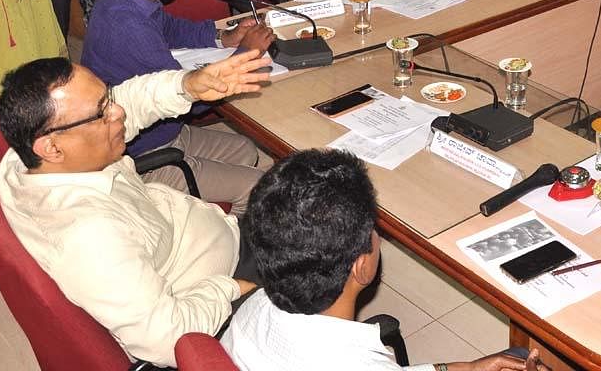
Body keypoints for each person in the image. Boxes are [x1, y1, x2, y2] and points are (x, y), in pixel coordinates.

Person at [0, 52, 269, 368]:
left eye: (107, 97)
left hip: (213, 240)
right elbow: (169, 340)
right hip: (222, 290)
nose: (119, 111)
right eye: (102, 112)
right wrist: (230, 288)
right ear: (52, 148)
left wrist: (188, 85)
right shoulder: (90, 237)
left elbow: (131, 98)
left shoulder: (26, 159)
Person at [222, 148, 551, 371]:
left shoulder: (255, 309)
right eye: (373, 232)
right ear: (361, 266)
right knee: (523, 358)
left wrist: (464, 368)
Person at [81, 0, 273, 211]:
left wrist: (223, 36)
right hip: (141, 155)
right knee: (255, 188)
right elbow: (194, 100)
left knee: (247, 151)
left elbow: (169, 27)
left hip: (166, 132)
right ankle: (231, 249)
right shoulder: (126, 26)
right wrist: (246, 54)